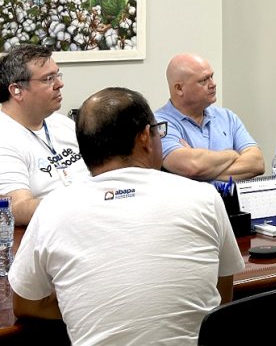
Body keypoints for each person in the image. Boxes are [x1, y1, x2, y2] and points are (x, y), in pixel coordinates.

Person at [8, 87, 245, 345]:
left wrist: (84, 307)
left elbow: (27, 305)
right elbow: (222, 295)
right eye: (158, 131)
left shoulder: (52, 209)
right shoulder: (204, 197)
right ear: (144, 137)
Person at [0, 45, 89, 225]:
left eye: (57, 75)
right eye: (48, 79)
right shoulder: (4, 138)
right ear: (16, 90)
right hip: (52, 229)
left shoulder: (64, 124)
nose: (59, 84)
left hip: (92, 220)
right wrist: (86, 203)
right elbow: (17, 208)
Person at [155, 53, 265, 181]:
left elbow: (257, 163)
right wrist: (232, 154)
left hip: (231, 194)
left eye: (211, 76)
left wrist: (204, 170)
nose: (213, 84)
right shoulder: (159, 124)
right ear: (179, 88)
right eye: (203, 80)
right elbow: (191, 167)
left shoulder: (227, 117)